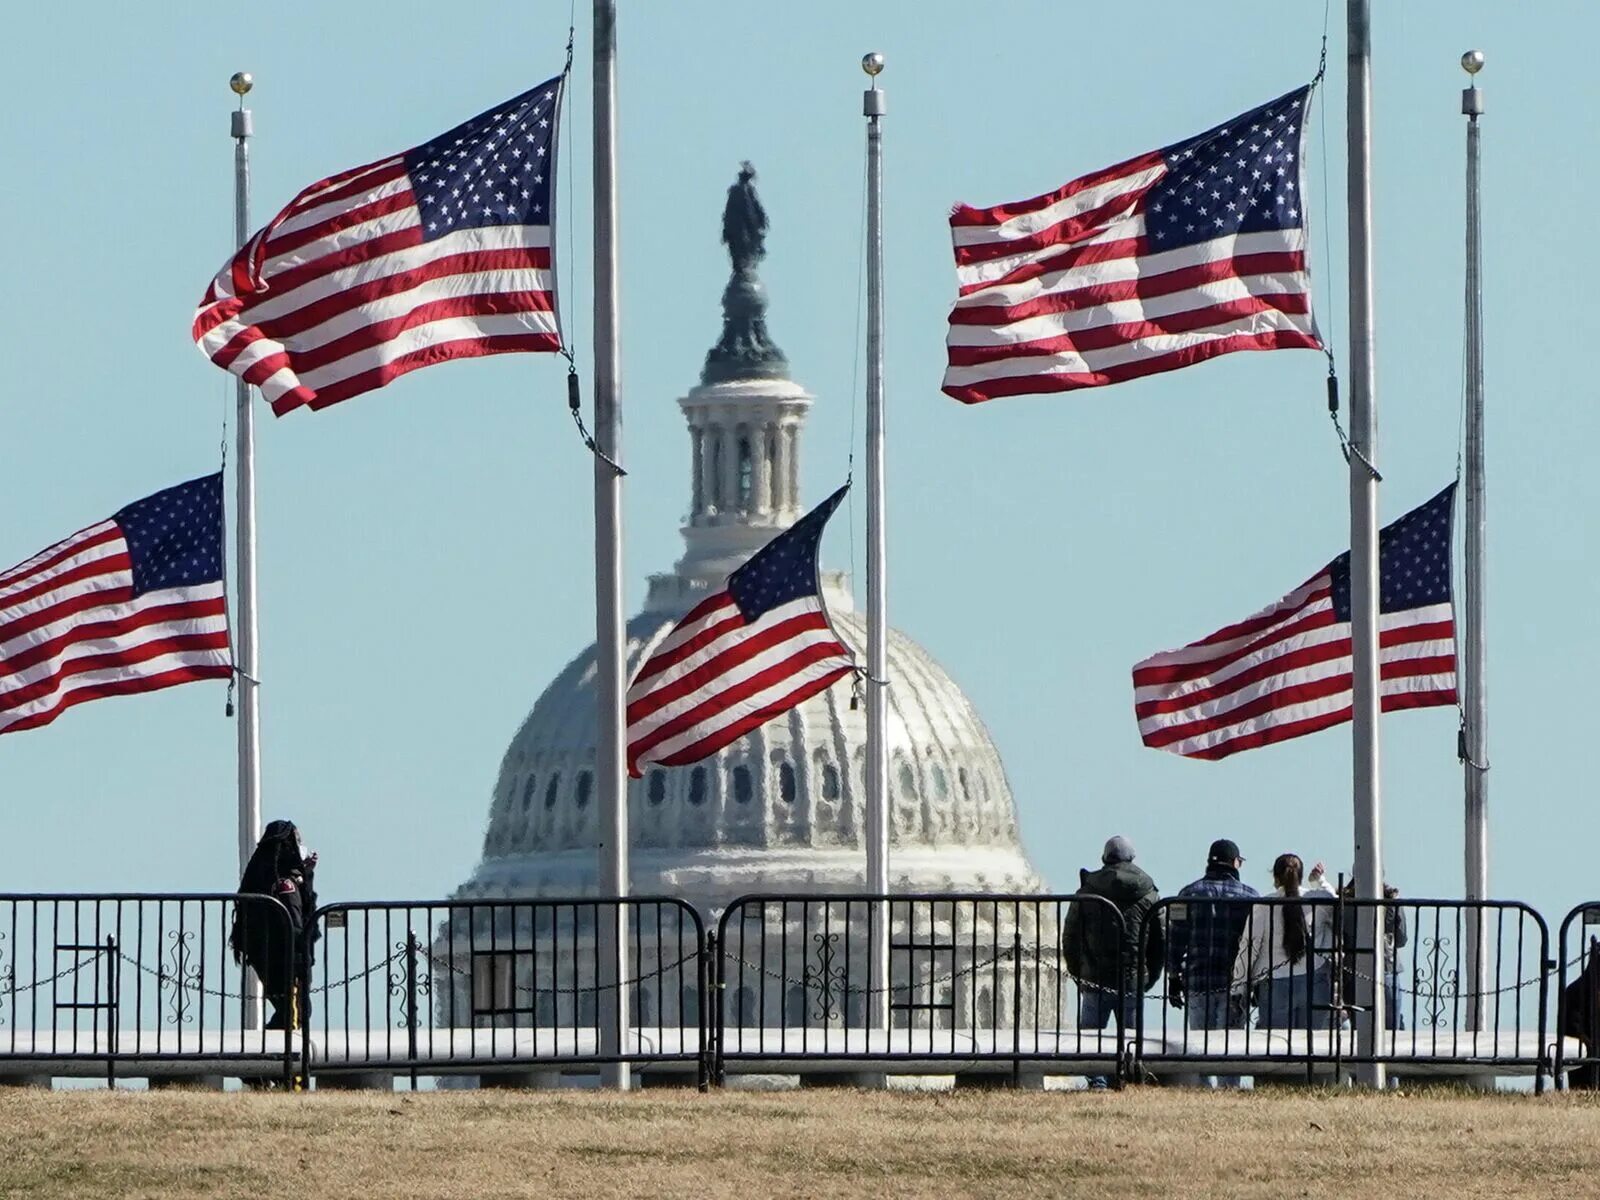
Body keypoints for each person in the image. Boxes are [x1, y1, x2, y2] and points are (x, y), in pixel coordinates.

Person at [1061, 835, 1164, 1088]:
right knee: (1130, 1036)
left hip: (1094, 977)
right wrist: (1150, 975)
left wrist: (1079, 973)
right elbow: (1159, 941)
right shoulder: (1149, 893)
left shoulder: (1087, 891)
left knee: (1090, 1038)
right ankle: (1125, 1080)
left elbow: (1071, 937)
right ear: (1132, 859)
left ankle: (1097, 1082)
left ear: (1105, 859)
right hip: (1132, 977)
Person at [1164, 838, 1258, 1087]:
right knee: (1230, 1046)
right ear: (1236, 863)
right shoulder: (1250, 897)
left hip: (1197, 980)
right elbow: (1256, 943)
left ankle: (1203, 1090)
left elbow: (1176, 939)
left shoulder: (1189, 893)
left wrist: (1173, 977)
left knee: (1199, 1045)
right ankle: (1229, 1089)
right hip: (1235, 984)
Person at [231, 819, 319, 1030]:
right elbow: (297, 921)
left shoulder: (265, 880)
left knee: (289, 1011)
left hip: (268, 958)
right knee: (296, 1014)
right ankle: (283, 1056)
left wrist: (307, 875)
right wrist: (302, 955)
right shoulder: (285, 884)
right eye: (298, 842)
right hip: (287, 960)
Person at [1231, 855, 1336, 1029]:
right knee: (1313, 1046)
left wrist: (1238, 987)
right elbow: (1334, 899)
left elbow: (1249, 948)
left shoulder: (1263, 906)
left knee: (1276, 1047)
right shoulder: (1318, 900)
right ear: (1301, 876)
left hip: (1274, 983)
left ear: (1276, 877)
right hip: (1315, 980)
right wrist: (1319, 880)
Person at [1339, 874, 1408, 1032]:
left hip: (1354, 969)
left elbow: (1339, 934)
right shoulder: (1392, 900)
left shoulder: (1345, 902)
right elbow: (1402, 938)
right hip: (1387, 966)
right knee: (1391, 1028)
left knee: (1360, 1028)